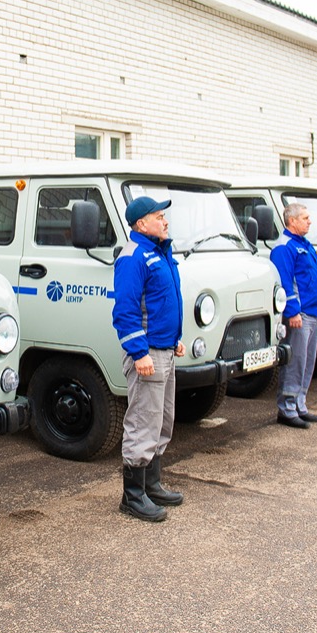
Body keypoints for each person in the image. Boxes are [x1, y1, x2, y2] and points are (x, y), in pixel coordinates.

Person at [112, 195, 186, 522]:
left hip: (165, 348)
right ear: (142, 224)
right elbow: (125, 311)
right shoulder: (133, 257)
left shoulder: (159, 253)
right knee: (144, 421)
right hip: (149, 355)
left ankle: (152, 484)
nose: (165, 221)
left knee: (162, 420)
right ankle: (133, 496)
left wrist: (176, 339)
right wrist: (139, 352)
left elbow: (161, 304)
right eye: (159, 216)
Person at [268, 203, 317, 428]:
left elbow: (314, 275)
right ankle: (287, 408)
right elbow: (284, 282)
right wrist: (292, 311)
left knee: (308, 361)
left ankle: (300, 404)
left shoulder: (305, 244)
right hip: (300, 314)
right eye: (305, 218)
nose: (309, 221)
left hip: (313, 311)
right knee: (296, 362)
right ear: (292, 221)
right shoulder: (285, 247)